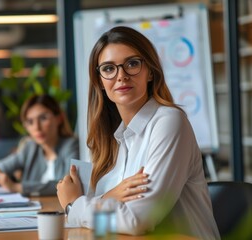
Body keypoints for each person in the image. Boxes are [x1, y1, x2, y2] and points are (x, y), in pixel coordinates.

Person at [56, 26, 220, 239]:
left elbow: (137, 220)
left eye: (132, 64)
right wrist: (110, 197)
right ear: (100, 82)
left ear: (150, 71)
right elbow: (110, 223)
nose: (121, 76)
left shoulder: (169, 122)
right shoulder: (113, 139)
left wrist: (73, 205)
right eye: (108, 69)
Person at [0, 94, 79, 196]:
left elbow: (68, 185)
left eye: (43, 118)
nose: (36, 127)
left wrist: (16, 187)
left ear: (59, 118)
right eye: (30, 122)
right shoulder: (30, 148)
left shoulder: (71, 145)